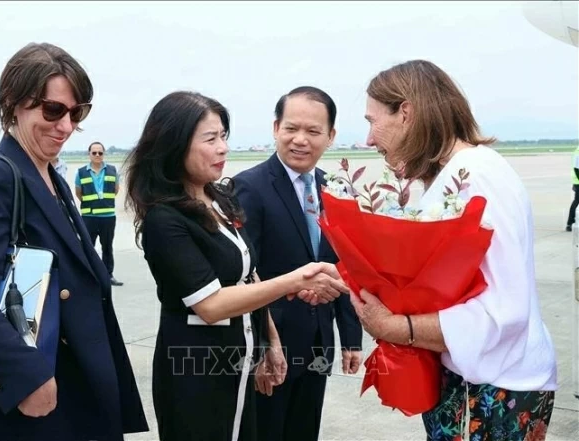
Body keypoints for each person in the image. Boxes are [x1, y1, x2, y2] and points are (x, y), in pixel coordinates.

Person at [123, 90, 349, 441]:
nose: (223, 148)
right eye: (211, 139)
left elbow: (248, 273)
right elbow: (211, 305)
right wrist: (294, 280)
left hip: (241, 360)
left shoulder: (218, 198)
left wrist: (270, 341)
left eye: (224, 136)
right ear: (175, 144)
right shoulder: (165, 219)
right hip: (197, 368)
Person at [352, 60, 557, 441]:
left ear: (407, 114)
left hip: (494, 387)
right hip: (480, 381)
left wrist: (396, 327)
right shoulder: (456, 174)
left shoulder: (475, 176)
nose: (368, 139)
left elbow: (503, 309)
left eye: (372, 120)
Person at [0, 43, 148, 440]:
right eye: (52, 110)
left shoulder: (52, 178)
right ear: (12, 103)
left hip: (80, 383)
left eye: (77, 113)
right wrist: (25, 375)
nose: (66, 125)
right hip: (41, 399)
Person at [233, 86, 363, 441]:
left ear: (331, 136)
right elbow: (243, 274)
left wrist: (351, 337)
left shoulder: (333, 188)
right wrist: (261, 347)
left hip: (318, 341)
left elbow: (343, 266)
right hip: (272, 348)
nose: (300, 140)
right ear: (276, 128)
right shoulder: (249, 187)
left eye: (313, 131)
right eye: (291, 128)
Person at [75, 141, 124, 286]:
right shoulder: (81, 172)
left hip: (107, 216)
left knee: (107, 247)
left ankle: (108, 275)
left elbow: (115, 190)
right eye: (94, 152)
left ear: (104, 154)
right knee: (88, 247)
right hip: (89, 216)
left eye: (100, 153)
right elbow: (79, 193)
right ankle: (88, 275)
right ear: (89, 154)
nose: (97, 155)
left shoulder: (112, 170)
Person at [565, 145, 579, 231]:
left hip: (577, 181)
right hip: (578, 182)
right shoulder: (578, 153)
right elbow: (576, 169)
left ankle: (570, 222)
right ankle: (570, 223)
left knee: (576, 201)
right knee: (576, 201)